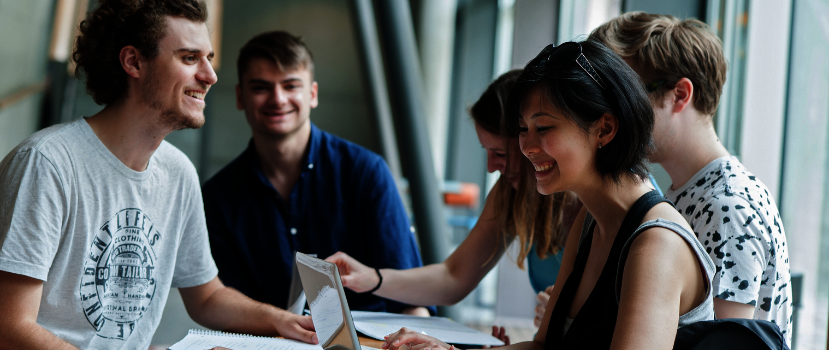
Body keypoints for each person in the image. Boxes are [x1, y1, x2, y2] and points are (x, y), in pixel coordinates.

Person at [0, 2, 317, 349]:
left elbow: (207, 296)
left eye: (207, 58)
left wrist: (281, 320)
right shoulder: (47, 164)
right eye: (190, 58)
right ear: (133, 62)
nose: (210, 76)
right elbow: (9, 331)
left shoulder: (178, 174)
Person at [383, 40, 716, 350]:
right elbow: (544, 346)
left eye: (542, 129)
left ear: (605, 129)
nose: (526, 147)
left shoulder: (656, 244)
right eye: (523, 130)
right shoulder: (590, 218)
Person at [326, 69, 579, 340]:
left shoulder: (591, 207)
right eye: (487, 152)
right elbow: (454, 276)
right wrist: (373, 279)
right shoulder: (511, 193)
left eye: (500, 153)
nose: (491, 167)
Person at [588, 12, 794, 341]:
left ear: (680, 95)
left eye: (625, 95)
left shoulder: (727, 208)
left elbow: (723, 344)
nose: (611, 114)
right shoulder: (693, 192)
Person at [201, 31, 430, 316]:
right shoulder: (218, 195)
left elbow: (411, 299)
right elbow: (222, 302)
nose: (278, 99)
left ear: (312, 94)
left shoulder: (366, 172)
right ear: (240, 97)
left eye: (291, 85)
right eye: (261, 87)